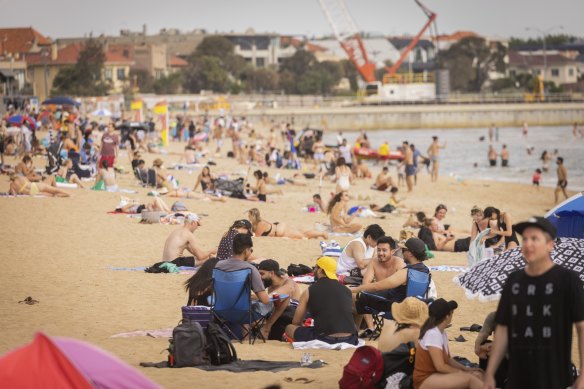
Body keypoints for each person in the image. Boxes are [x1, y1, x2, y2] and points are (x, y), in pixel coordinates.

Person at [484, 217, 584, 389]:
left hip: (554, 378)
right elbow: (502, 328)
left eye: (535, 239)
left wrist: (583, 376)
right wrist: (490, 373)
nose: (528, 244)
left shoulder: (568, 280)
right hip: (517, 376)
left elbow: (582, 327)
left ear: (550, 245)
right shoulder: (514, 281)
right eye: (525, 239)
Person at [351, 238, 430, 327]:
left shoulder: (407, 273)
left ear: (410, 253)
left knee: (351, 297)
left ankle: (351, 333)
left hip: (392, 306)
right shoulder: (425, 270)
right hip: (407, 306)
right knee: (358, 299)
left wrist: (352, 289)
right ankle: (357, 331)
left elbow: (376, 286)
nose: (402, 252)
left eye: (403, 250)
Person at [285, 256, 358, 345]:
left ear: (320, 270)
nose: (314, 270)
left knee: (289, 328)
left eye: (315, 267)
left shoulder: (309, 291)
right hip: (350, 338)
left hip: (324, 338)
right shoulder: (347, 290)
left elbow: (296, 321)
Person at [413, 299, 484, 389]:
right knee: (471, 379)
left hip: (435, 375)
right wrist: (461, 373)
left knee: (478, 375)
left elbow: (448, 359)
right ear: (447, 316)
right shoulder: (433, 334)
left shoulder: (441, 333)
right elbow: (440, 366)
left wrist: (466, 369)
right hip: (425, 379)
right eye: (452, 313)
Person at [353, 236, 406, 337]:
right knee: (361, 295)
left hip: (395, 299)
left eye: (384, 250)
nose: (381, 253)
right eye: (379, 250)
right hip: (379, 296)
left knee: (362, 295)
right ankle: (371, 328)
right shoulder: (374, 262)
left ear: (392, 251)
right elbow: (366, 283)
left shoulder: (399, 263)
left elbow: (400, 286)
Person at [214, 233, 272, 321]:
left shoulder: (218, 265)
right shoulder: (250, 269)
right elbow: (265, 300)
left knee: (245, 305)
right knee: (271, 305)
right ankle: (265, 330)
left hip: (220, 311)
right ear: (246, 251)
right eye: (250, 250)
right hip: (243, 314)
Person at [258, 259, 302, 340]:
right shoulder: (271, 285)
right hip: (277, 316)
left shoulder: (288, 283)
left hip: (291, 316)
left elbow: (273, 297)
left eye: (262, 274)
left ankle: (266, 329)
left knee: (281, 298)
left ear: (272, 273)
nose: (260, 277)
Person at [247, 208, 327, 239]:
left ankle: (321, 234)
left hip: (281, 231)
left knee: (303, 235)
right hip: (280, 227)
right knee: (301, 233)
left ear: (252, 216)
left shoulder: (260, 224)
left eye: (249, 215)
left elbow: (257, 236)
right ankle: (317, 234)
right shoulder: (260, 221)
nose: (248, 217)